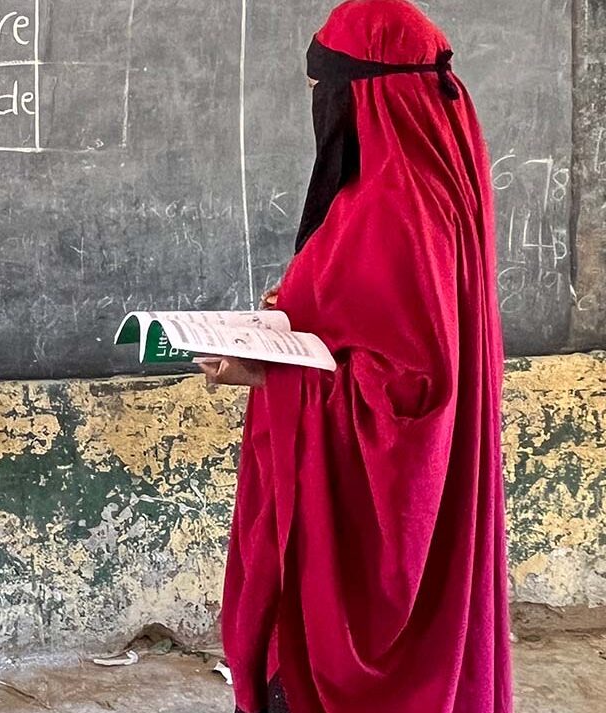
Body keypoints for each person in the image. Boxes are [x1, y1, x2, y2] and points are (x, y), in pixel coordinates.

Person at [202, 1, 511, 711]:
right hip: (368, 521)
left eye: (326, 86)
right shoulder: (425, 191)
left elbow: (409, 400)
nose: (316, 100)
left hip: (364, 566)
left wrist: (268, 370)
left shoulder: (396, 206)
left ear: (365, 93)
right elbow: (365, 325)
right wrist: (291, 315)